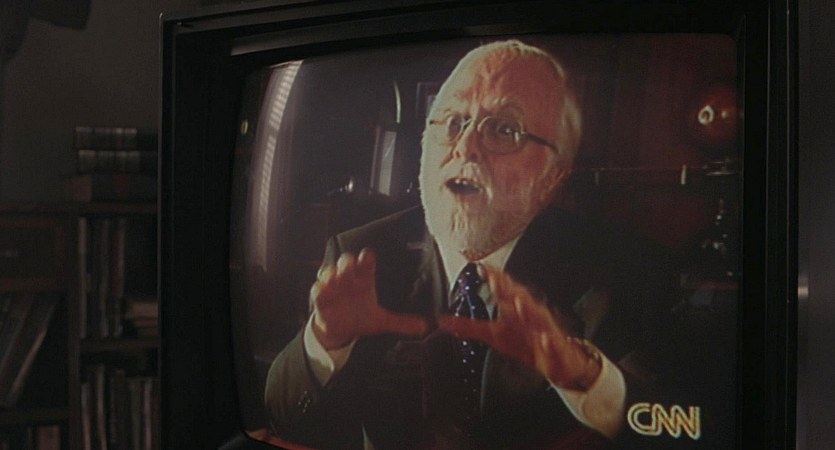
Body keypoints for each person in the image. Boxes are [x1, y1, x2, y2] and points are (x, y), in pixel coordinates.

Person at [264, 40, 702, 449]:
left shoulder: (628, 272)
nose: (466, 147)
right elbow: (281, 417)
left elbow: (679, 430)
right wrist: (325, 342)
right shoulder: (362, 255)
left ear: (552, 177)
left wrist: (585, 378)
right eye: (452, 122)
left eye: (504, 130)